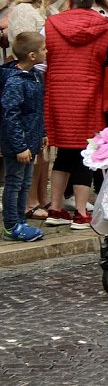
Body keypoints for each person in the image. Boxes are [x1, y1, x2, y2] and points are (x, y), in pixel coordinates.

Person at [42, 0, 108, 229]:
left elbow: (40, 62)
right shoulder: (105, 25)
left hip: (58, 93)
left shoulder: (51, 24)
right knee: (86, 152)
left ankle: (55, 209)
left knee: (63, 152)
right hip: (90, 93)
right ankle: (80, 212)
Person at [7, 0, 62, 221]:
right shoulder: (24, 11)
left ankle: (42, 195)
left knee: (43, 141)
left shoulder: (51, 11)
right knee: (31, 136)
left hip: (46, 80)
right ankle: (29, 201)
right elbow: (23, 43)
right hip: (31, 78)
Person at [1, 32, 47, 242]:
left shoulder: (36, 75)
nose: (46, 51)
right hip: (18, 146)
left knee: (25, 182)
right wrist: (19, 146)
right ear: (31, 55)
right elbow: (10, 115)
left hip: (31, 141)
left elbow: (37, 109)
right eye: (43, 49)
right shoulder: (15, 82)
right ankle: (11, 225)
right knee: (14, 182)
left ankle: (21, 220)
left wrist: (42, 134)